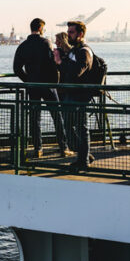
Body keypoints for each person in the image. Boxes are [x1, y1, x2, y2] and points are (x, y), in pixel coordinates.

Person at [12, 18, 68, 157]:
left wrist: (28, 80)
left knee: (35, 118)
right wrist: (55, 83)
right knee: (57, 116)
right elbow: (54, 65)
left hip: (33, 86)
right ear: (42, 28)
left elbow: (16, 68)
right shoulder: (46, 43)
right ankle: (63, 147)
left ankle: (38, 149)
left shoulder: (23, 46)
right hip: (48, 85)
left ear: (31, 28)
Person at [54, 20, 94, 169]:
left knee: (81, 128)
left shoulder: (84, 51)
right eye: (69, 31)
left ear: (80, 34)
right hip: (70, 93)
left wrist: (60, 62)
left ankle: (83, 161)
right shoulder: (73, 51)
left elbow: (78, 71)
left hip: (80, 95)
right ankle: (84, 155)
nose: (69, 34)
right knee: (68, 126)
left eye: (71, 32)